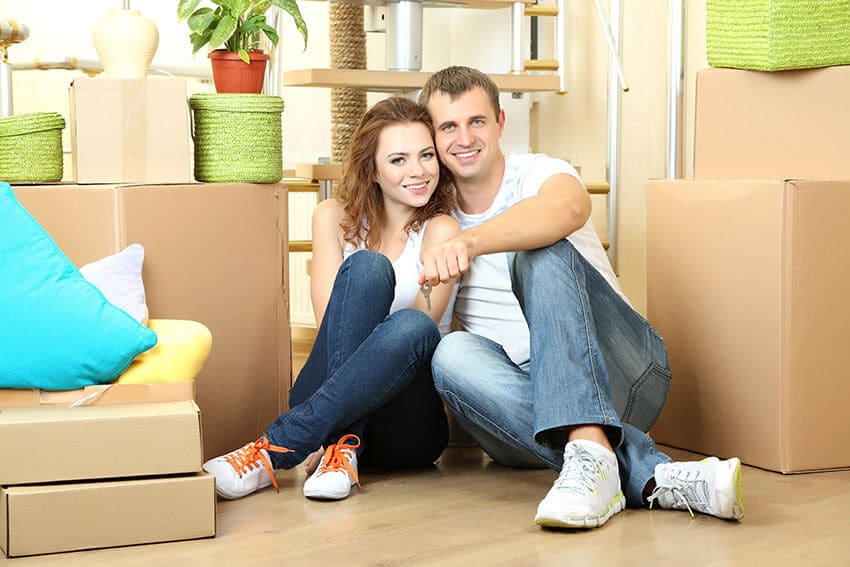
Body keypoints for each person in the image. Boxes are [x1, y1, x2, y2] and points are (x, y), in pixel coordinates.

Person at [416, 66, 744, 528]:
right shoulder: (437, 219)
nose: (464, 137)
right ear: (433, 135)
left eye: (477, 122)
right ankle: (648, 475)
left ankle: (596, 451)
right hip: (522, 409)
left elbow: (568, 207)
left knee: (539, 252)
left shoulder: (541, 171)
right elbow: (430, 322)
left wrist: (469, 244)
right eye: (448, 126)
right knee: (449, 354)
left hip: (621, 373)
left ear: (500, 123)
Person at [203, 96, 461, 501]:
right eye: (398, 160)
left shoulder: (441, 229)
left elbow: (417, 336)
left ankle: (275, 449)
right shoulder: (332, 217)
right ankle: (342, 449)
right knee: (368, 269)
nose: (419, 171)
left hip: (404, 422)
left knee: (414, 325)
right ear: (371, 170)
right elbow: (333, 328)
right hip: (326, 397)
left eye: (426, 155)